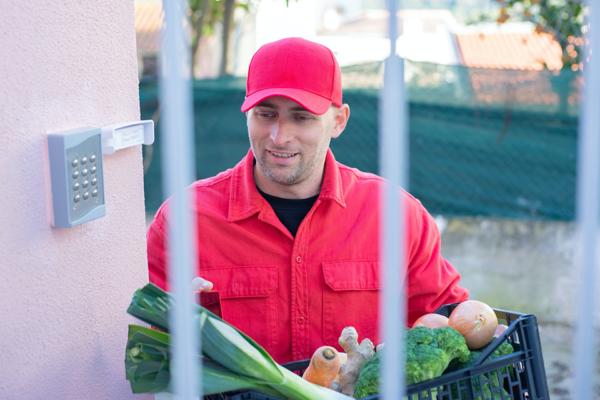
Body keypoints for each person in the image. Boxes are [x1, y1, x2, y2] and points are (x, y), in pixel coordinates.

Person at [147, 37, 469, 364]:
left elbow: (451, 324)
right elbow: (150, 347)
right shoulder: (183, 222)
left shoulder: (397, 215)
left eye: (301, 117)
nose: (279, 136)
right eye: (265, 114)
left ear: (339, 121)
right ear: (247, 114)